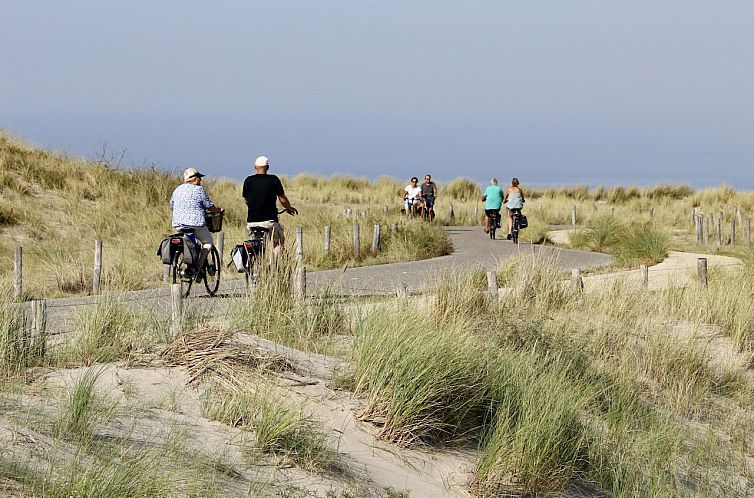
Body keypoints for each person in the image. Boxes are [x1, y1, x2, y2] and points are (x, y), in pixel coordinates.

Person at [170, 167, 223, 279]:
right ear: (193, 179)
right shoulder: (199, 190)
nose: (201, 180)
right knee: (208, 242)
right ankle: (198, 267)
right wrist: (219, 210)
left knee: (189, 243)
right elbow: (209, 206)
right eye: (199, 178)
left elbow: (172, 205)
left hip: (179, 225)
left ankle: (189, 264)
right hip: (196, 224)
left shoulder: (177, 189)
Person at [242, 156, 298, 257]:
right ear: (267, 167)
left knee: (255, 245)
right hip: (269, 221)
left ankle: (255, 268)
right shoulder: (273, 180)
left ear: (255, 167)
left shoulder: (248, 181)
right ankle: (275, 266)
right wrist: (289, 208)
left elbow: (246, 199)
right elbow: (282, 199)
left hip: (252, 222)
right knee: (278, 242)